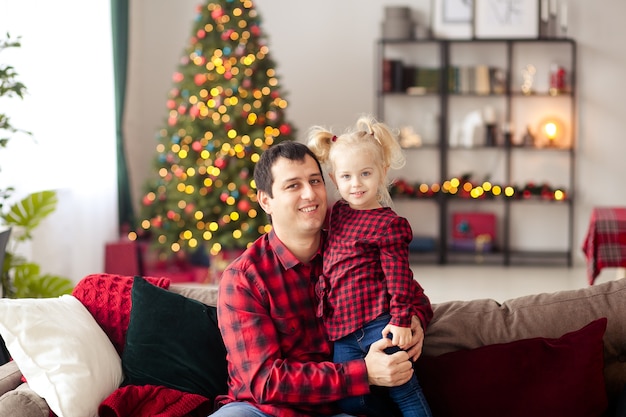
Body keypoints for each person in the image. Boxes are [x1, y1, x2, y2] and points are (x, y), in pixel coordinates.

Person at [212, 140, 425, 417]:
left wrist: (413, 319)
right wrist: (364, 373)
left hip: (335, 410)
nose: (310, 194)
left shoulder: (352, 248)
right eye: (293, 186)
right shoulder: (244, 279)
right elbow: (265, 382)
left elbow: (410, 291)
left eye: (315, 181)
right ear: (266, 200)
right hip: (260, 411)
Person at [307, 115, 433, 417]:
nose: (356, 184)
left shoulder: (389, 224)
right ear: (335, 179)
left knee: (405, 389)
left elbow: (400, 278)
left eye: (365, 173)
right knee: (350, 399)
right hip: (341, 331)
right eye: (346, 176)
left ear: (383, 172)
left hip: (380, 324)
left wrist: (403, 319)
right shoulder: (337, 213)